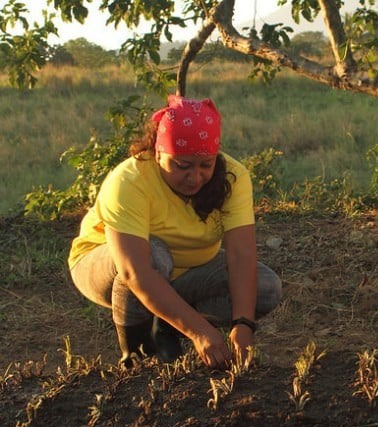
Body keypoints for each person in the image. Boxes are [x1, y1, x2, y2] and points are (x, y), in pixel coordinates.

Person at [68, 94, 282, 368]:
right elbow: (135, 272)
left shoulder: (234, 177)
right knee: (154, 256)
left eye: (206, 165)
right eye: (182, 166)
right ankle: (137, 356)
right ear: (158, 153)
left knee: (266, 288)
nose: (195, 177)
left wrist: (243, 324)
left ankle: (169, 324)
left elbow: (241, 254)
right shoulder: (129, 180)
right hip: (105, 266)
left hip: (187, 272)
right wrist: (200, 332)